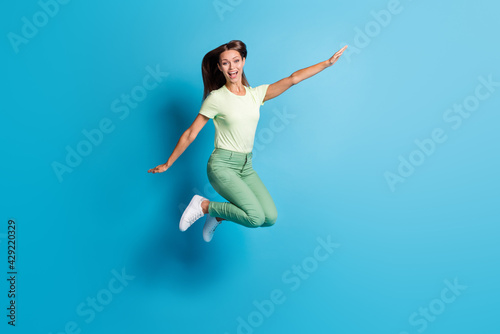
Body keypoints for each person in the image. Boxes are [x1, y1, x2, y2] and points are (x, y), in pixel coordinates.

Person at [148, 40, 347, 242]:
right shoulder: (216, 98)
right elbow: (191, 132)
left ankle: (217, 215)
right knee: (255, 217)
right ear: (219, 67)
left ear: (243, 61)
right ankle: (204, 206)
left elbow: (293, 79)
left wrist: (327, 63)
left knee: (269, 218)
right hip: (222, 165)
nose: (232, 67)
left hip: (246, 167)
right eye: (225, 63)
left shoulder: (255, 95)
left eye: (236, 61)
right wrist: (168, 163)